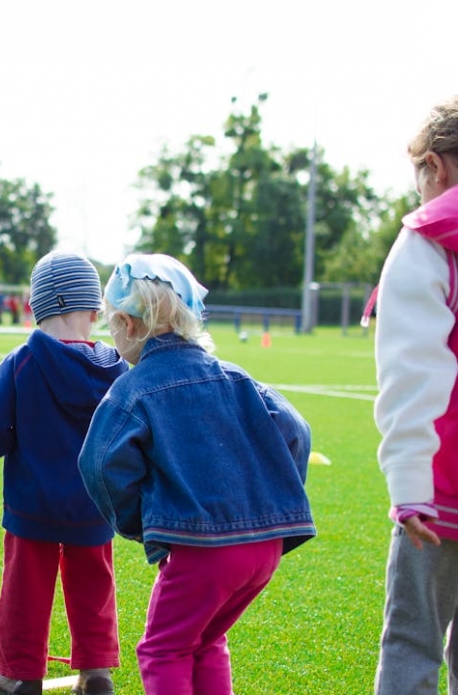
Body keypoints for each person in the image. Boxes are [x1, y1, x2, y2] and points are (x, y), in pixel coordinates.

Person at [78, 253, 315, 695]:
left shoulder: (132, 389)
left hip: (203, 548)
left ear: (129, 325)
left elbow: (99, 462)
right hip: (265, 547)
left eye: (112, 325)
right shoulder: (237, 377)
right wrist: (273, 499)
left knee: (162, 650)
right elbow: (297, 432)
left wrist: (137, 523)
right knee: (206, 640)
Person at [370, 93, 458, 695]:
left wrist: (408, 487)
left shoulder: (427, 242)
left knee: (411, 647)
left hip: (444, 493)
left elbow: (413, 374)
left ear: (436, 166)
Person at [0, 252, 127, 695]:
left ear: (33, 308)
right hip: (95, 505)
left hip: (32, 504)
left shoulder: (21, 362)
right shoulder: (117, 368)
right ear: (94, 310)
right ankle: (96, 672)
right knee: (94, 587)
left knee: (25, 590)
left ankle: (21, 672)